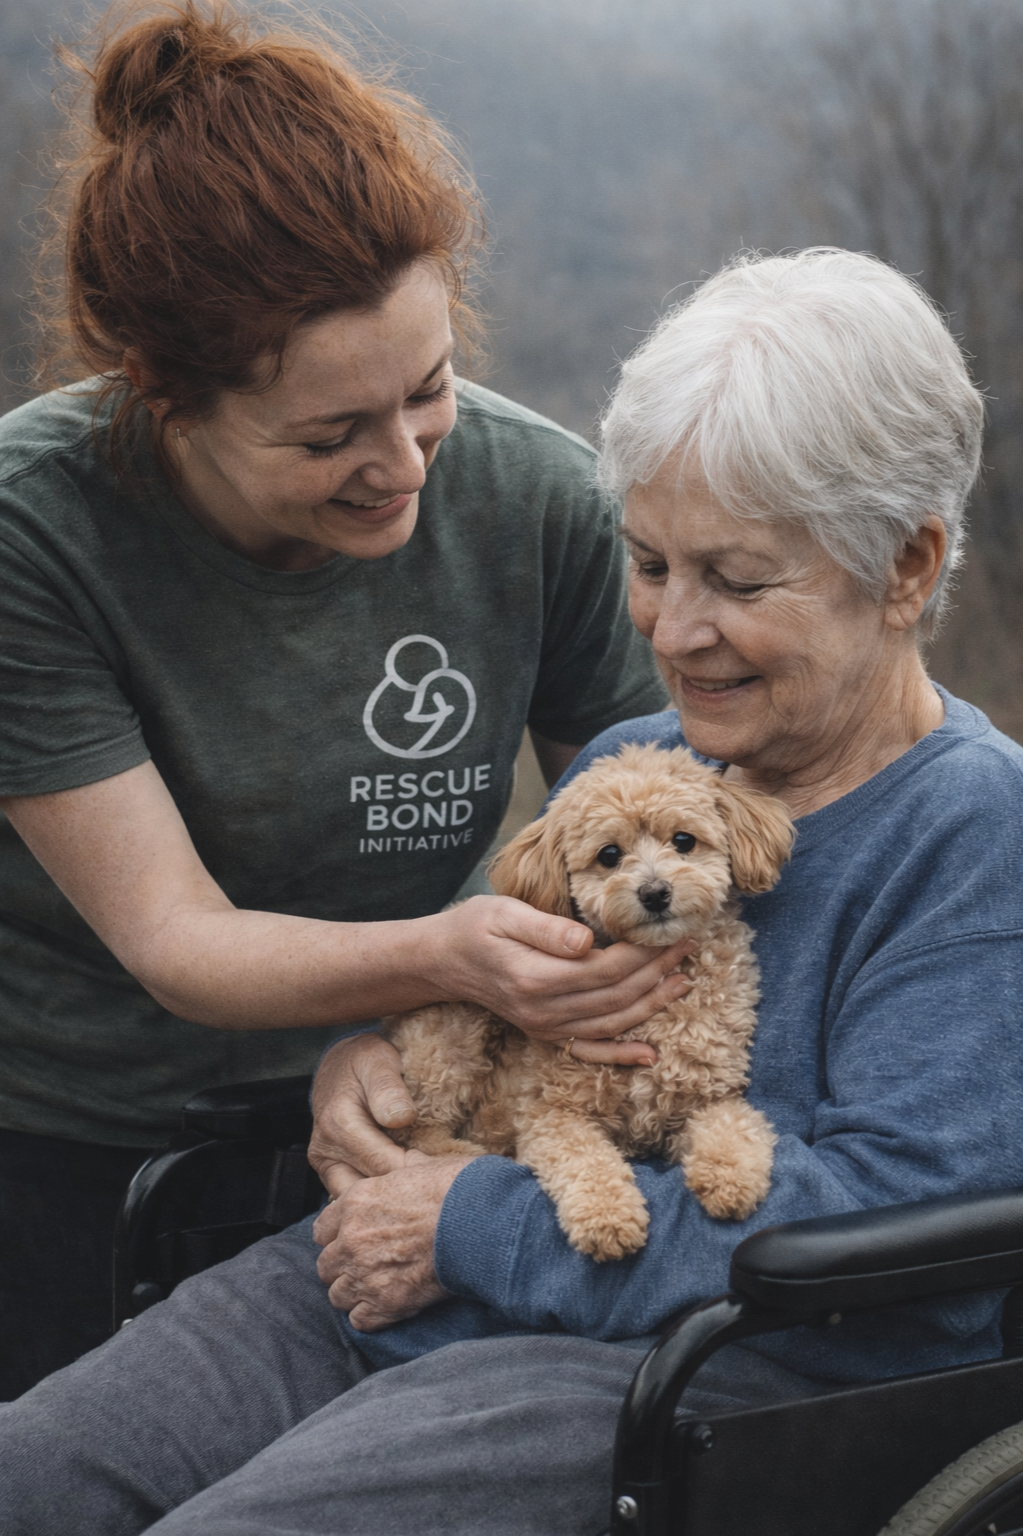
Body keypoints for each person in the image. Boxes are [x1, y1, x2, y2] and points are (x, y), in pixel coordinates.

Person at [2, 248, 1021, 1535]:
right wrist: (362, 1064)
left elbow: (896, 1240)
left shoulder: (973, 834)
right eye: (651, 565)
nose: (671, 628)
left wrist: (478, 1226)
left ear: (908, 570)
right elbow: (494, 1019)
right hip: (401, 1265)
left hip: (669, 1366)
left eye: (738, 579)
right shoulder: (623, 770)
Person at [0, 1, 678, 1398]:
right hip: (75, 1148)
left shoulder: (537, 498)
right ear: (159, 393)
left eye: (428, 390)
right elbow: (179, 938)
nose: (407, 467)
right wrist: (448, 955)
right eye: (329, 436)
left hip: (426, 1121)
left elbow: (653, 815)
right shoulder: (37, 533)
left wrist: (447, 1034)